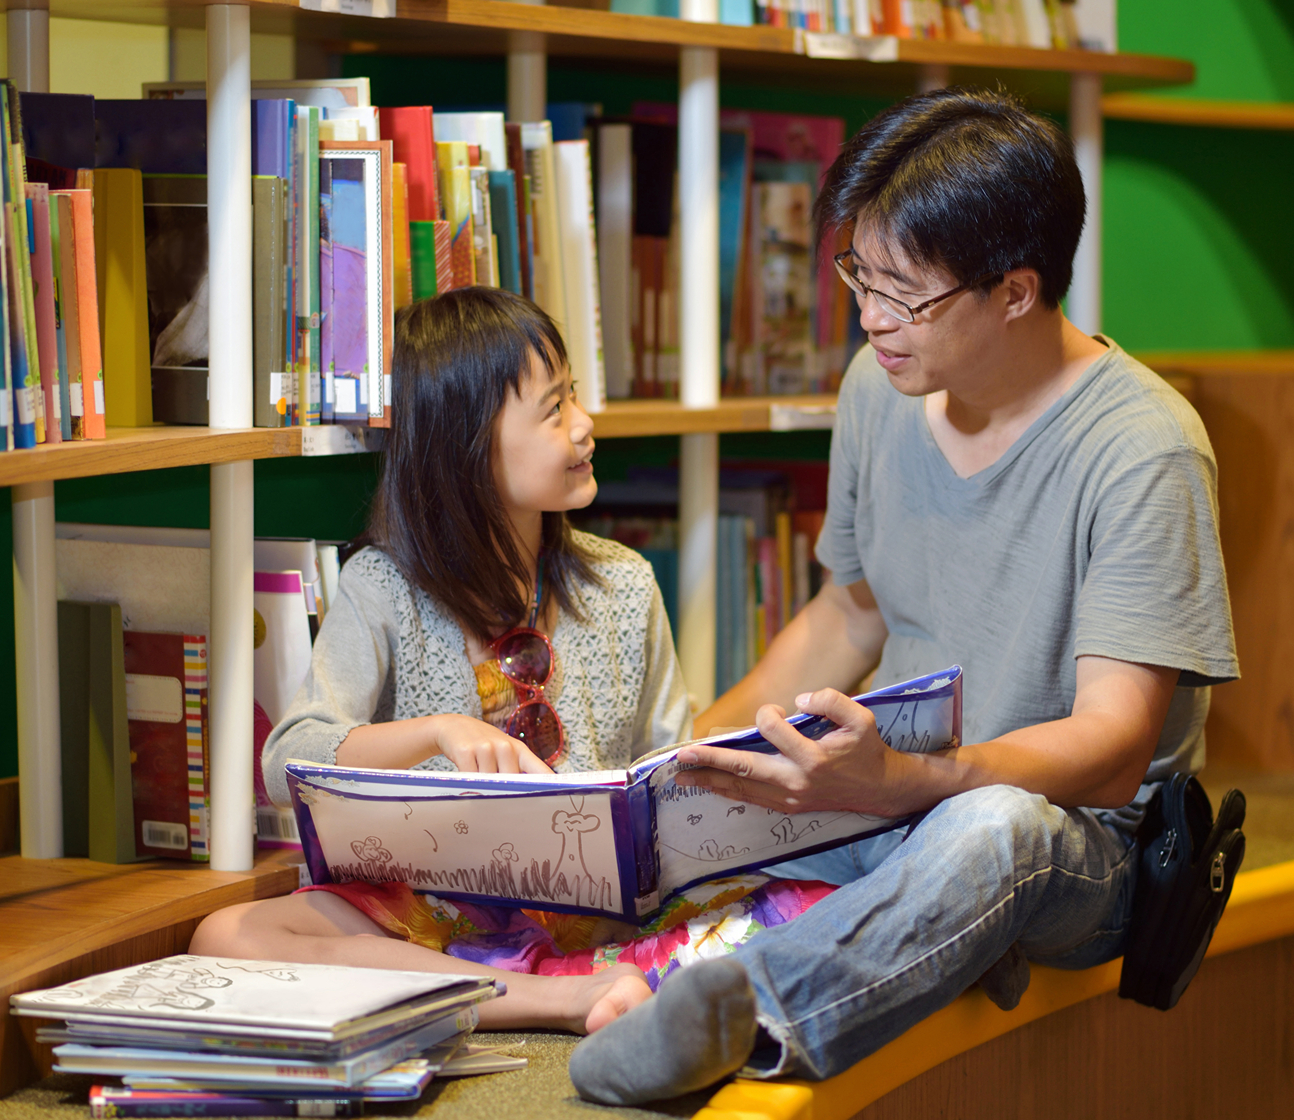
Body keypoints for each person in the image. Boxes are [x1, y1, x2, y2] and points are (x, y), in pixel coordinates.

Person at [569, 87, 1239, 1105]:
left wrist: (915, 783)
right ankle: (932, 939)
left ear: (1016, 291)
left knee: (993, 834)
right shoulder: (879, 387)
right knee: (680, 819)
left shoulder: (1145, 448)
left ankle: (748, 1018)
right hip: (892, 795)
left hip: (1078, 845)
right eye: (859, 275)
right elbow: (852, 612)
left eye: (904, 294)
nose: (870, 317)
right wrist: (690, 764)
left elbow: (1114, 748)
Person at [190, 287, 835, 1035]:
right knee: (230, 938)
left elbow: (672, 772)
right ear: (469, 445)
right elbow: (288, 761)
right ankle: (562, 1000)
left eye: (575, 399)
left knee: (823, 903)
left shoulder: (624, 584)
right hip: (432, 921)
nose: (586, 426)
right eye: (555, 409)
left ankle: (592, 984)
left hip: (609, 925)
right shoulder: (385, 585)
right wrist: (436, 733)